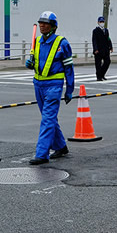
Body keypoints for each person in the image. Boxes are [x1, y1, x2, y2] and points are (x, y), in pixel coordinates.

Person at [26, 11, 75, 164]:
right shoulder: (37, 41)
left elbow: (69, 68)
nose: (41, 25)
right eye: (40, 22)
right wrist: (30, 65)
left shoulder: (62, 43)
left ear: (53, 26)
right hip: (38, 84)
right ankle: (60, 146)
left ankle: (42, 154)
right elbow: (37, 63)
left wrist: (70, 90)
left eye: (45, 23)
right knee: (49, 118)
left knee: (47, 119)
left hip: (54, 86)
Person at [91, 15, 112, 81]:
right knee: (98, 64)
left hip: (106, 50)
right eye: (100, 21)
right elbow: (94, 40)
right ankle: (98, 76)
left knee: (107, 62)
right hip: (98, 50)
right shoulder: (95, 31)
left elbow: (108, 39)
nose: (102, 23)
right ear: (98, 22)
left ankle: (102, 74)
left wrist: (111, 46)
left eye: (103, 21)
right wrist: (95, 49)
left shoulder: (106, 30)